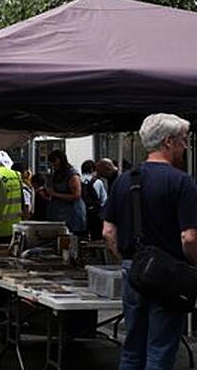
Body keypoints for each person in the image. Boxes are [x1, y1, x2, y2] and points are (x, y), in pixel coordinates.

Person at [103, 113, 197, 370]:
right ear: (168, 142)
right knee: (160, 349)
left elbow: (108, 232)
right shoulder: (182, 182)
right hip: (170, 275)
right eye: (183, 140)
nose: (185, 147)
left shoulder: (124, 180)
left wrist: (126, 260)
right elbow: (189, 237)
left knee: (132, 347)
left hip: (134, 269)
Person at [41, 150, 86, 235]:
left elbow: (76, 195)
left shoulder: (72, 174)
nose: (53, 164)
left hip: (71, 215)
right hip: (57, 214)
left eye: (54, 161)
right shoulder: (56, 174)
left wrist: (55, 194)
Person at [81, 159, 108, 240]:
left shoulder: (78, 180)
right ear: (93, 169)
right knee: (96, 238)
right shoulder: (98, 182)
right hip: (95, 214)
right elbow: (104, 200)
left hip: (81, 213)